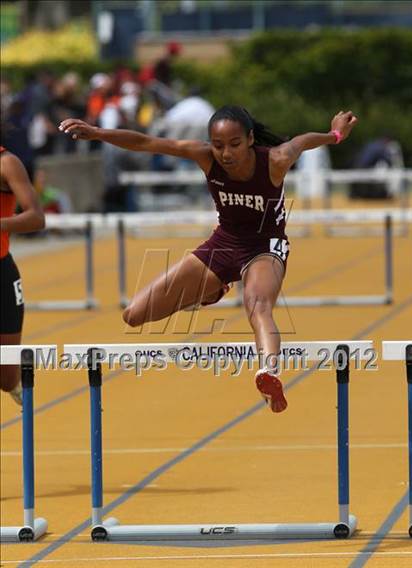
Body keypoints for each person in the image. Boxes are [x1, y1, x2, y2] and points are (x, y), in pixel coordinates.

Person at [59, 106, 357, 413]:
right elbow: (147, 143)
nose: (226, 153)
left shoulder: (275, 160)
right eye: (218, 145)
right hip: (223, 244)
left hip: (264, 246)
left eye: (235, 144)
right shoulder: (205, 157)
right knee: (134, 315)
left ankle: (269, 372)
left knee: (257, 303)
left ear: (250, 138)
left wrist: (334, 135)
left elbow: (304, 140)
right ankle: (211, 291)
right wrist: (98, 133)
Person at [0, 146, 45, 405]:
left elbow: (36, 218)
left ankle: (13, 381)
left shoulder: (7, 163)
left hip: (2, 272)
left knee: (6, 378)